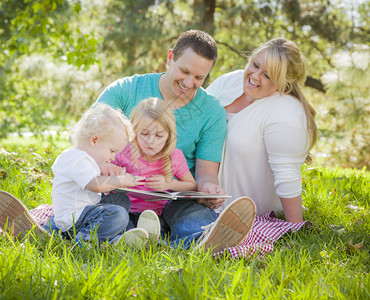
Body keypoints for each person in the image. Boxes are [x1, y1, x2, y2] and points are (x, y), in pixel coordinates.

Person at [96, 29, 256, 252]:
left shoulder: (211, 112)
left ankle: (199, 241)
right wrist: (107, 169)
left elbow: (205, 172)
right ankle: (123, 237)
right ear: (170, 58)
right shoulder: (126, 90)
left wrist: (208, 188)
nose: (189, 83)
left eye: (199, 78)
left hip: (173, 198)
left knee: (192, 214)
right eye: (184, 71)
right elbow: (90, 138)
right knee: (109, 209)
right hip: (121, 191)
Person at [0, 104, 159, 246]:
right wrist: (118, 180)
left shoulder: (87, 159)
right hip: (72, 220)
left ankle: (124, 236)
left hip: (84, 213)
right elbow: (94, 185)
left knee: (121, 202)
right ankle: (81, 242)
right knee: (118, 214)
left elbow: (94, 181)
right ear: (94, 140)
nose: (113, 157)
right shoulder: (75, 158)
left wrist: (107, 171)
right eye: (112, 150)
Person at [206, 38, 318, 223]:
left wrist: (295, 227)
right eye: (255, 65)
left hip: (244, 213)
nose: (255, 76)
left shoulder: (286, 111)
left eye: (268, 76)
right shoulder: (231, 81)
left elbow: (286, 175)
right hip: (201, 195)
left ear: (284, 83)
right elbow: (195, 116)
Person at [112, 97, 197, 239]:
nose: (151, 141)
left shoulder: (174, 156)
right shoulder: (124, 151)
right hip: (125, 211)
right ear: (134, 131)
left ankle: (146, 238)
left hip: (155, 216)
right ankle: (129, 237)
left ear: (169, 135)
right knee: (120, 221)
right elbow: (105, 177)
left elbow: (192, 186)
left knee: (160, 228)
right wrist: (119, 179)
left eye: (159, 135)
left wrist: (170, 183)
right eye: (144, 134)